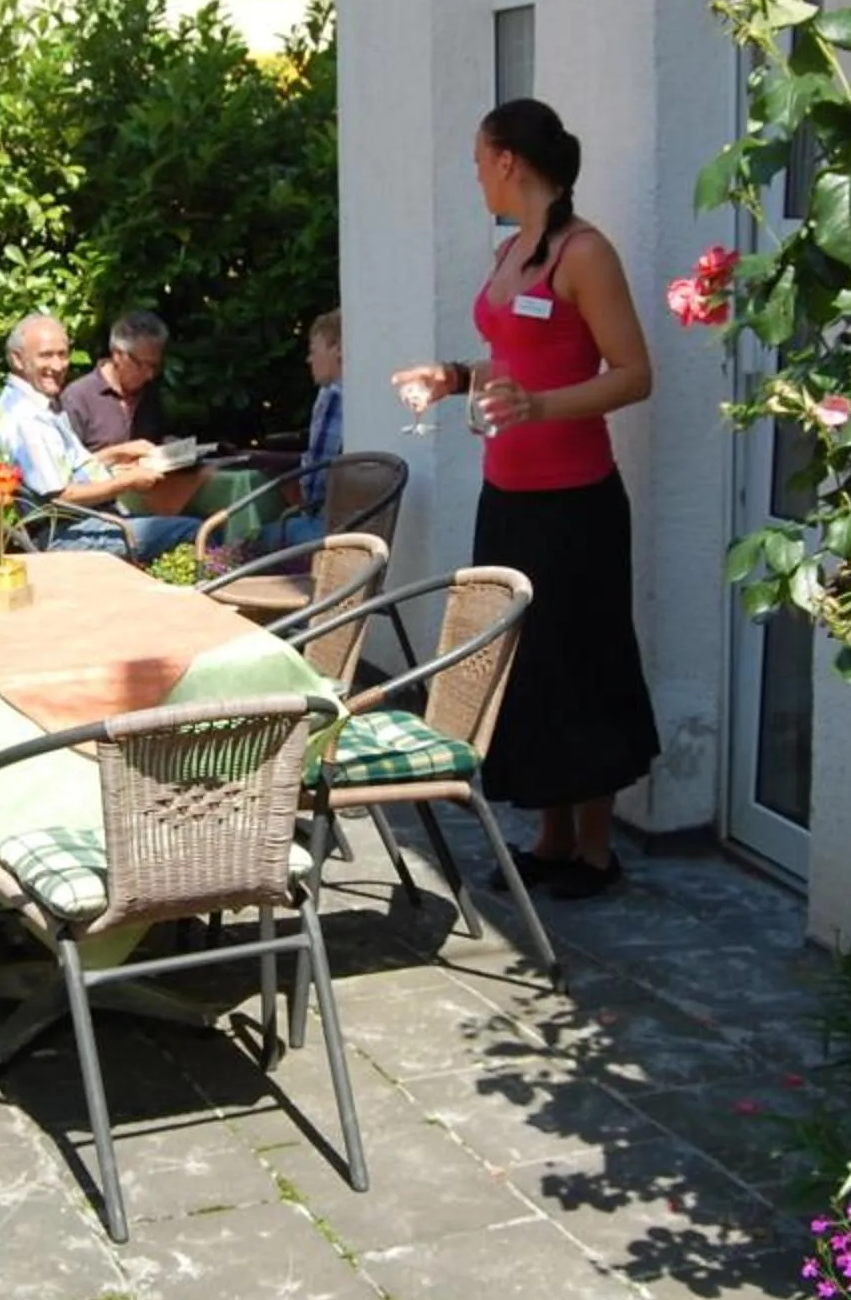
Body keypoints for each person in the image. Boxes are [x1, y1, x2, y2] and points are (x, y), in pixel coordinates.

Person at [391, 100, 659, 900]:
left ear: (509, 162)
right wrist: (451, 377)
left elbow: (634, 373)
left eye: (479, 159)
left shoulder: (585, 253)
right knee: (525, 666)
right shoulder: (512, 252)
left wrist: (541, 407)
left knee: (583, 658)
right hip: (507, 493)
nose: (475, 173)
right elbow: (512, 360)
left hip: (575, 501)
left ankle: (596, 850)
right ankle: (548, 836)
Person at [0, 313, 204, 559]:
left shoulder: (33, 405)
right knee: (193, 531)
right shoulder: (28, 419)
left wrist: (118, 453)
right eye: (46, 355)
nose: (58, 366)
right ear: (17, 359)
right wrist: (127, 482)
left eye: (63, 354)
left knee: (176, 523)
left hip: (82, 522)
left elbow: (68, 468)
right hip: (66, 535)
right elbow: (61, 497)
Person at [59, 308, 172, 453]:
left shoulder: (149, 393)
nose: (149, 375)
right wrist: (120, 453)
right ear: (118, 354)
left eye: (154, 366)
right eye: (141, 365)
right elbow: (65, 465)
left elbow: (157, 439)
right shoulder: (78, 398)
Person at [277, 309, 344, 547]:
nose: (309, 359)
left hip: (325, 526)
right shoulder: (360, 391)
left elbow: (316, 479)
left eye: (313, 351)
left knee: (243, 536)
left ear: (338, 349)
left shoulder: (333, 395)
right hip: (357, 520)